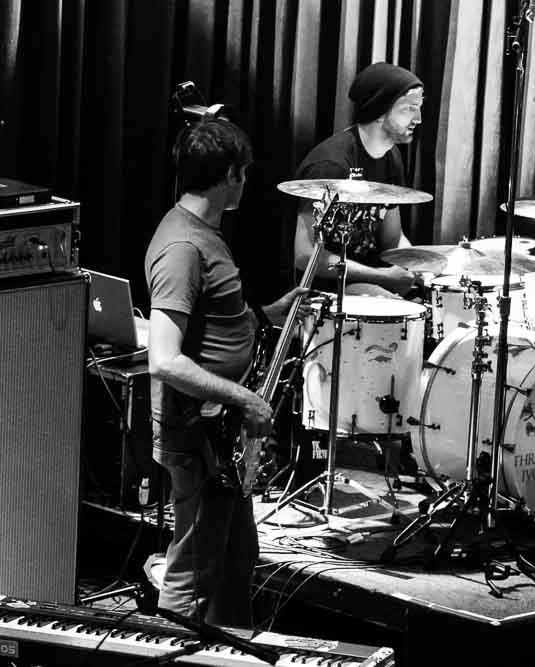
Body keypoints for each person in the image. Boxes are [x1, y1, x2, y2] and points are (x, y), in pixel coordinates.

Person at [146, 119, 306, 625]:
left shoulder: (204, 234)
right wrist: (247, 399)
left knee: (236, 558)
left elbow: (213, 322)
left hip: (221, 428)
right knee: (194, 570)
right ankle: (171, 652)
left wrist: (268, 314)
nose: (246, 182)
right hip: (200, 432)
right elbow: (164, 359)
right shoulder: (182, 249)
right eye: (244, 173)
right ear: (230, 175)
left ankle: (227, 651)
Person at [293, 62, 424, 297]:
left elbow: (392, 239)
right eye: (409, 109)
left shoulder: (391, 157)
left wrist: (418, 266)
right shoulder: (331, 165)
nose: (419, 119)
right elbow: (304, 255)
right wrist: (383, 277)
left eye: (419, 108)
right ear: (379, 111)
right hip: (325, 291)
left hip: (372, 281)